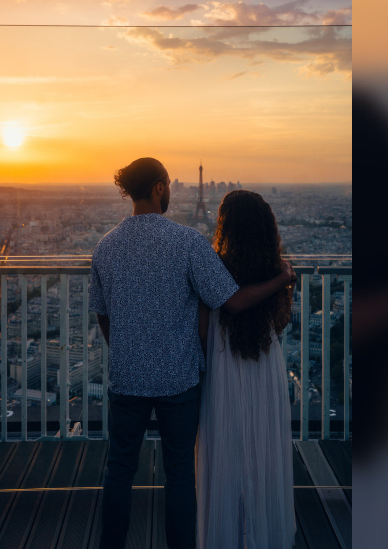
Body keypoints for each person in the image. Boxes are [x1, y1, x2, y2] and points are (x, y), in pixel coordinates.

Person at [89, 158, 295, 549]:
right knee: (180, 474)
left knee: (118, 470)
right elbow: (231, 302)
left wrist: (127, 350)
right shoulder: (187, 242)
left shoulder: (105, 247)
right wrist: (283, 277)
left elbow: (103, 314)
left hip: (127, 377)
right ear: (160, 188)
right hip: (178, 380)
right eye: (168, 184)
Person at [196, 190, 297, 548]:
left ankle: (227, 532)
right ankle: (262, 531)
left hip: (225, 365)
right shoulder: (277, 268)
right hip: (265, 363)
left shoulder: (213, 265)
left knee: (227, 450)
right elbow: (281, 323)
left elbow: (204, 326)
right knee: (262, 449)